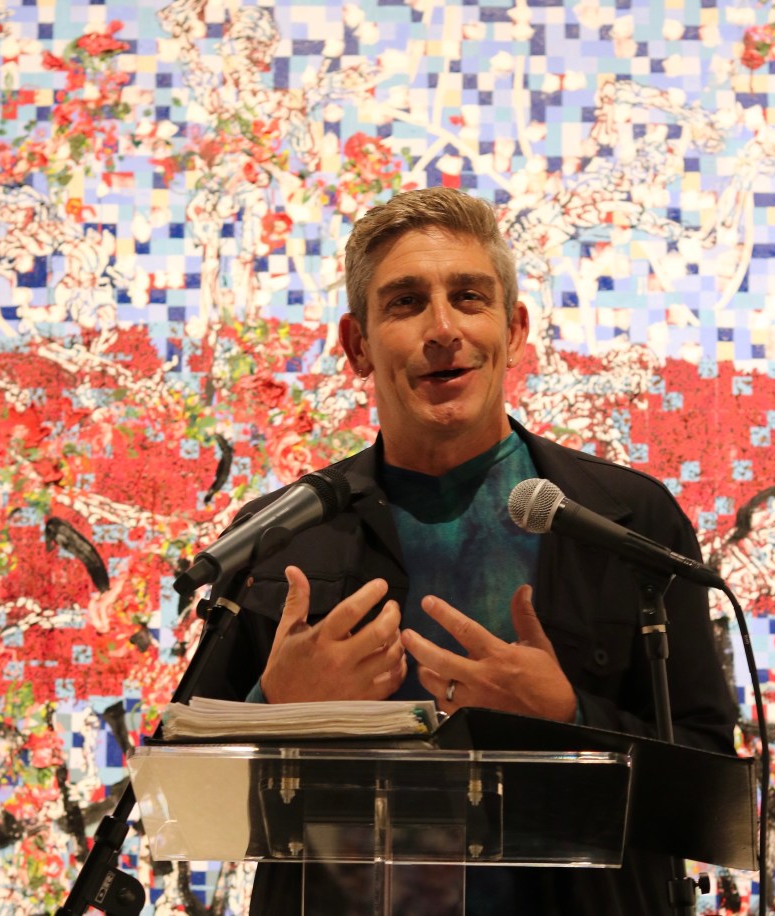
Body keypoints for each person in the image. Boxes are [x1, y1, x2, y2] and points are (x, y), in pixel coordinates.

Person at [195, 187, 737, 915]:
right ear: (357, 345)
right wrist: (279, 706)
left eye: (469, 298)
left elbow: (710, 797)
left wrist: (567, 715)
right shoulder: (279, 536)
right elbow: (188, 804)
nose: (443, 329)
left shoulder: (629, 521)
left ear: (514, 329)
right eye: (406, 303)